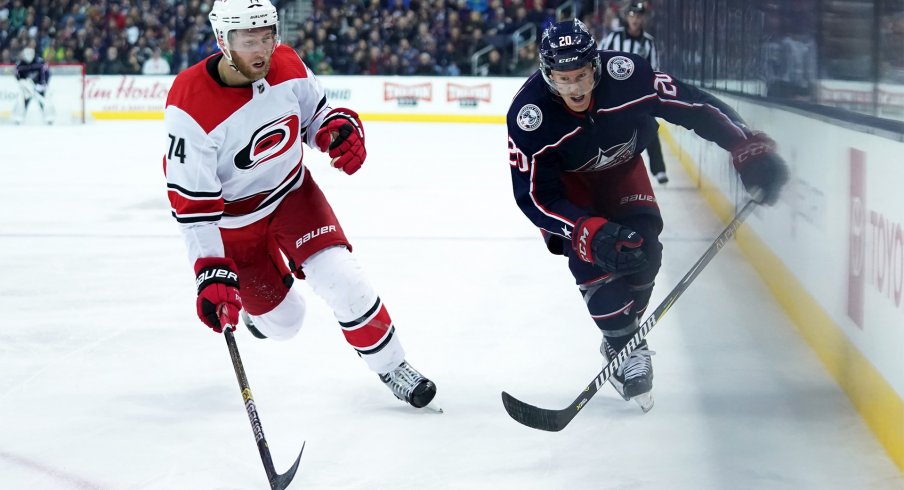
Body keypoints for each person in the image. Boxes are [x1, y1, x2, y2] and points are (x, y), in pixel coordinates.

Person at [163, 0, 437, 409]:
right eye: (248, 39)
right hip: (234, 227)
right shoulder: (189, 103)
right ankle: (263, 315)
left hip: (294, 197)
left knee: (344, 280)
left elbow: (318, 115)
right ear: (223, 40)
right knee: (287, 324)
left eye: (267, 36)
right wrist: (209, 270)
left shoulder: (286, 63)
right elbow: (194, 209)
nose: (261, 49)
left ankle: (392, 364)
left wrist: (337, 131)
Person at [506, 19, 787, 412]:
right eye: (563, 78)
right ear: (546, 73)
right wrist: (584, 228)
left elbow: (694, 105)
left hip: (622, 171)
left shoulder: (628, 74)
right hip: (571, 193)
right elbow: (532, 196)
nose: (575, 88)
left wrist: (745, 146)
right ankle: (626, 347)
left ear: (596, 66)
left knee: (643, 255)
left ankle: (622, 338)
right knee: (598, 267)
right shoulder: (528, 115)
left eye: (582, 75)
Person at [599, 1, 668, 184]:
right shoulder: (614, 38)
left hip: (637, 98)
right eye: (632, 15)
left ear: (643, 18)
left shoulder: (649, 42)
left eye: (638, 16)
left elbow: (654, 71)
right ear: (626, 17)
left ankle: (659, 169)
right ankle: (608, 170)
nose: (635, 19)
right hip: (612, 97)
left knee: (650, 128)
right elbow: (599, 58)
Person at [12, 44, 55, 124]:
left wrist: (42, 84)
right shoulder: (20, 64)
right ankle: (19, 117)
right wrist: (23, 83)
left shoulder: (40, 62)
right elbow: (17, 75)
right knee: (24, 101)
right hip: (27, 88)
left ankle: (48, 118)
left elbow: (46, 73)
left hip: (39, 87)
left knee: (42, 102)